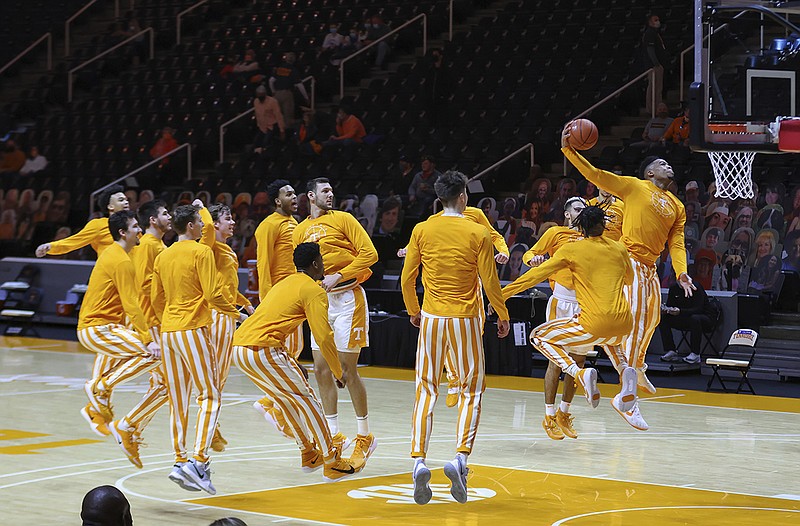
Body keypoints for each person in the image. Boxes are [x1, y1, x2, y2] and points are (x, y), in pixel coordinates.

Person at [562, 127, 695, 432]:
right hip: (627, 260)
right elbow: (595, 174)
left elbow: (677, 243)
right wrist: (569, 151)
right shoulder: (634, 187)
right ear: (649, 172)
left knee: (651, 321)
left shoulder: (677, 205)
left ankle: (638, 366)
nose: (668, 166)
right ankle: (626, 395)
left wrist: (681, 272)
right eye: (661, 164)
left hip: (649, 267)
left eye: (668, 164)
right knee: (633, 323)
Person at [400, 170, 510, 505]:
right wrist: (502, 315)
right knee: (472, 390)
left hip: (431, 317)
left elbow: (408, 277)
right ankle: (460, 458)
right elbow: (490, 282)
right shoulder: (477, 231)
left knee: (426, 389)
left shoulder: (422, 228)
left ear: (439, 197)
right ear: (463, 196)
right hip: (464, 318)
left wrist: (413, 310)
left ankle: (419, 460)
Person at [233, 242, 360, 482]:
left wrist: (289, 361)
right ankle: (331, 461)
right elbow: (323, 335)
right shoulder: (313, 290)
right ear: (315, 264)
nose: (324, 264)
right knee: (307, 400)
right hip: (263, 349)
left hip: (240, 349)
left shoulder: (286, 283)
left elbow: (270, 319)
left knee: (286, 399)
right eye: (322, 259)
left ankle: (308, 452)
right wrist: (337, 370)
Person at [502, 206, 637, 424]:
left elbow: (534, 277)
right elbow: (629, 280)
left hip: (590, 317)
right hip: (622, 321)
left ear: (582, 226)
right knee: (607, 339)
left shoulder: (573, 249)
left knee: (540, 338)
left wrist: (502, 294)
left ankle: (578, 377)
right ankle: (624, 370)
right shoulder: (619, 248)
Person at [293, 178, 379, 471]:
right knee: (320, 368)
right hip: (320, 301)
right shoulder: (300, 230)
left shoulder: (344, 219)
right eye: (325, 191)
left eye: (332, 190)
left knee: (345, 368)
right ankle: (333, 435)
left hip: (348, 300)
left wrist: (339, 275)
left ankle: (365, 435)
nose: (331, 194)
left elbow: (370, 255)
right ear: (310, 196)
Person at [77, 211, 161, 468]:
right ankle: (100, 388)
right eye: (136, 226)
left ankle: (100, 404)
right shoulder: (120, 260)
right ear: (123, 232)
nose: (140, 230)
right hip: (99, 328)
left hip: (102, 327)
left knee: (151, 358)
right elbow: (132, 303)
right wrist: (148, 338)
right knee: (150, 353)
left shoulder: (116, 254)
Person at [151, 204, 219, 494]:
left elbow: (156, 298)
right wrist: (237, 313)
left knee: (178, 399)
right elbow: (214, 293)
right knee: (210, 396)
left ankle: (180, 461)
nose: (204, 226)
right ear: (190, 226)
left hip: (168, 331)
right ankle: (199, 461)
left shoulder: (163, 255)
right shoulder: (201, 251)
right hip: (192, 328)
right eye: (200, 222)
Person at [516, 196, 593, 440]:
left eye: (585, 209)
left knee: (578, 363)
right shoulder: (556, 233)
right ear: (568, 214)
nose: (582, 212)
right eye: (578, 209)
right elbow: (530, 254)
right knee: (556, 362)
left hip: (585, 303)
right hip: (561, 302)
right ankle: (548, 415)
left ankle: (564, 413)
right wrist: (535, 260)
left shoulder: (594, 236)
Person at [105, 201, 173, 463]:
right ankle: (127, 424)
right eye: (165, 212)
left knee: (163, 384)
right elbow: (145, 286)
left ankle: (131, 428)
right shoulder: (147, 246)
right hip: (153, 322)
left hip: (160, 321)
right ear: (153, 220)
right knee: (166, 385)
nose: (169, 216)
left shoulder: (159, 246)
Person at [198, 200, 255, 451]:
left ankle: (212, 425)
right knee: (215, 377)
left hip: (228, 312)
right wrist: (201, 207)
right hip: (218, 315)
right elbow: (206, 229)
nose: (233, 222)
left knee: (217, 377)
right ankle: (209, 428)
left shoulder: (226, 249)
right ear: (215, 223)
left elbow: (228, 287)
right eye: (227, 219)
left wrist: (245, 303)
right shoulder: (209, 247)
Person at [252, 180, 303, 433]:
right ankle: (274, 408)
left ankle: (269, 402)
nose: (295, 197)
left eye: (295, 193)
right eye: (289, 194)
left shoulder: (295, 223)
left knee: (295, 348)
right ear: (276, 200)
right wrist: (267, 301)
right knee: (286, 354)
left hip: (296, 294)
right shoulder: (268, 225)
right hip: (280, 298)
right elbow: (263, 265)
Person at [36, 185, 128, 258]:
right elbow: (74, 242)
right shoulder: (99, 225)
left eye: (126, 200)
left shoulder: (133, 224)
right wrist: (50, 247)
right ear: (110, 206)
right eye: (121, 200)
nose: (126, 202)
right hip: (108, 275)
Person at [660, 282, 717, 364]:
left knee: (695, 318)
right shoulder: (673, 288)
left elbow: (699, 309)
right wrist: (667, 310)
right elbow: (670, 304)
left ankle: (695, 353)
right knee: (664, 319)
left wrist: (680, 311)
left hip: (704, 318)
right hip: (685, 317)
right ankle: (671, 350)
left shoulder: (696, 287)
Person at [269, 52, 310, 129]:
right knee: (288, 117)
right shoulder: (293, 70)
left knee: (277, 116)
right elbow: (299, 85)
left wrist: (273, 91)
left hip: (277, 94)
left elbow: (271, 81)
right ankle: (286, 135)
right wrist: (306, 97)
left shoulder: (280, 69)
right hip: (287, 93)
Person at [641, 13, 667, 112]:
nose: (658, 22)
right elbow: (650, 49)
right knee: (654, 87)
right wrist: (656, 63)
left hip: (656, 64)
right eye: (655, 20)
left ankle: (656, 108)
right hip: (653, 66)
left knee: (657, 88)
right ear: (650, 22)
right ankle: (652, 108)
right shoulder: (650, 33)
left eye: (658, 19)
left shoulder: (655, 33)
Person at [424, 48, 453, 129]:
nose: (434, 57)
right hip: (431, 101)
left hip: (441, 102)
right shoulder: (430, 70)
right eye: (433, 55)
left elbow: (449, 84)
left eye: (436, 55)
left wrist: (444, 96)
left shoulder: (446, 70)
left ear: (441, 56)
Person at [253, 85, 286, 153]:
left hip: (272, 126)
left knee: (266, 142)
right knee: (256, 142)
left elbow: (278, 116)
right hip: (262, 126)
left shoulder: (273, 101)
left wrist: (281, 130)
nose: (260, 96)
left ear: (265, 94)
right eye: (259, 94)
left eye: (262, 94)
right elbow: (258, 114)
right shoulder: (256, 101)